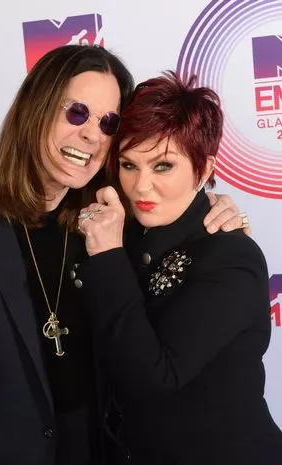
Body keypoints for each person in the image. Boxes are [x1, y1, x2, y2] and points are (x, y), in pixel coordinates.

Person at [0, 45, 248, 465]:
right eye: (77, 112)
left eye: (108, 122)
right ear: (36, 108)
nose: (91, 134)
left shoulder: (109, 220)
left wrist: (214, 209)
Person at [78, 71, 282, 465]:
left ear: (204, 170)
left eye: (163, 166)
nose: (140, 187)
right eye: (129, 165)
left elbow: (154, 377)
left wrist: (106, 256)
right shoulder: (129, 229)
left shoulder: (231, 257)